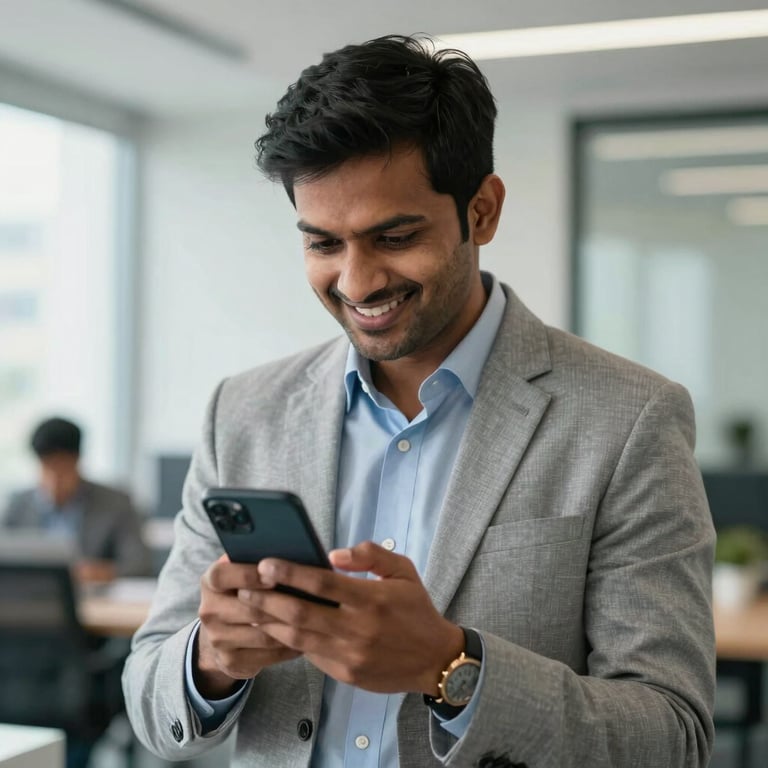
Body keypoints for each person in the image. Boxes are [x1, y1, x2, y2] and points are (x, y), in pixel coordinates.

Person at [122, 35, 715, 768]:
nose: (357, 282)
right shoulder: (243, 412)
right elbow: (149, 697)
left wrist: (449, 667)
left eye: (395, 236)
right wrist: (211, 659)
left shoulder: (628, 418)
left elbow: (671, 736)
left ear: (482, 211)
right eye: (323, 244)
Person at [2, 416, 151, 581]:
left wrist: (100, 572)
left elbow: (140, 564)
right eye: (47, 467)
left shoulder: (116, 503)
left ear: (77, 461)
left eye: (62, 468)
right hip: (32, 592)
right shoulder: (18, 504)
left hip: (93, 593)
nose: (54, 479)